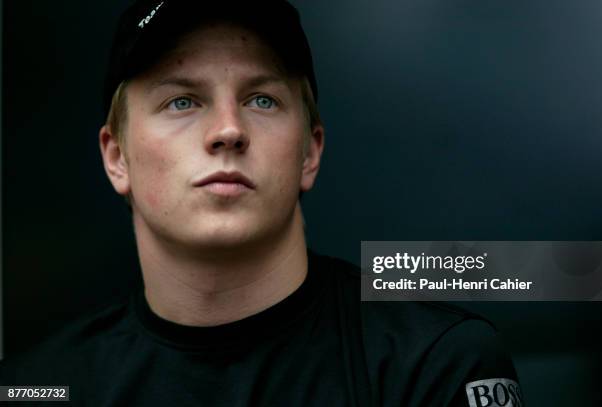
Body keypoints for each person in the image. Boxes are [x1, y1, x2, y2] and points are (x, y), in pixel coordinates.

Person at [0, 1, 524, 406]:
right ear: (117, 158)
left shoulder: (432, 363)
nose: (228, 130)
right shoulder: (38, 386)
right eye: (182, 101)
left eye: (261, 100)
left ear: (309, 152)